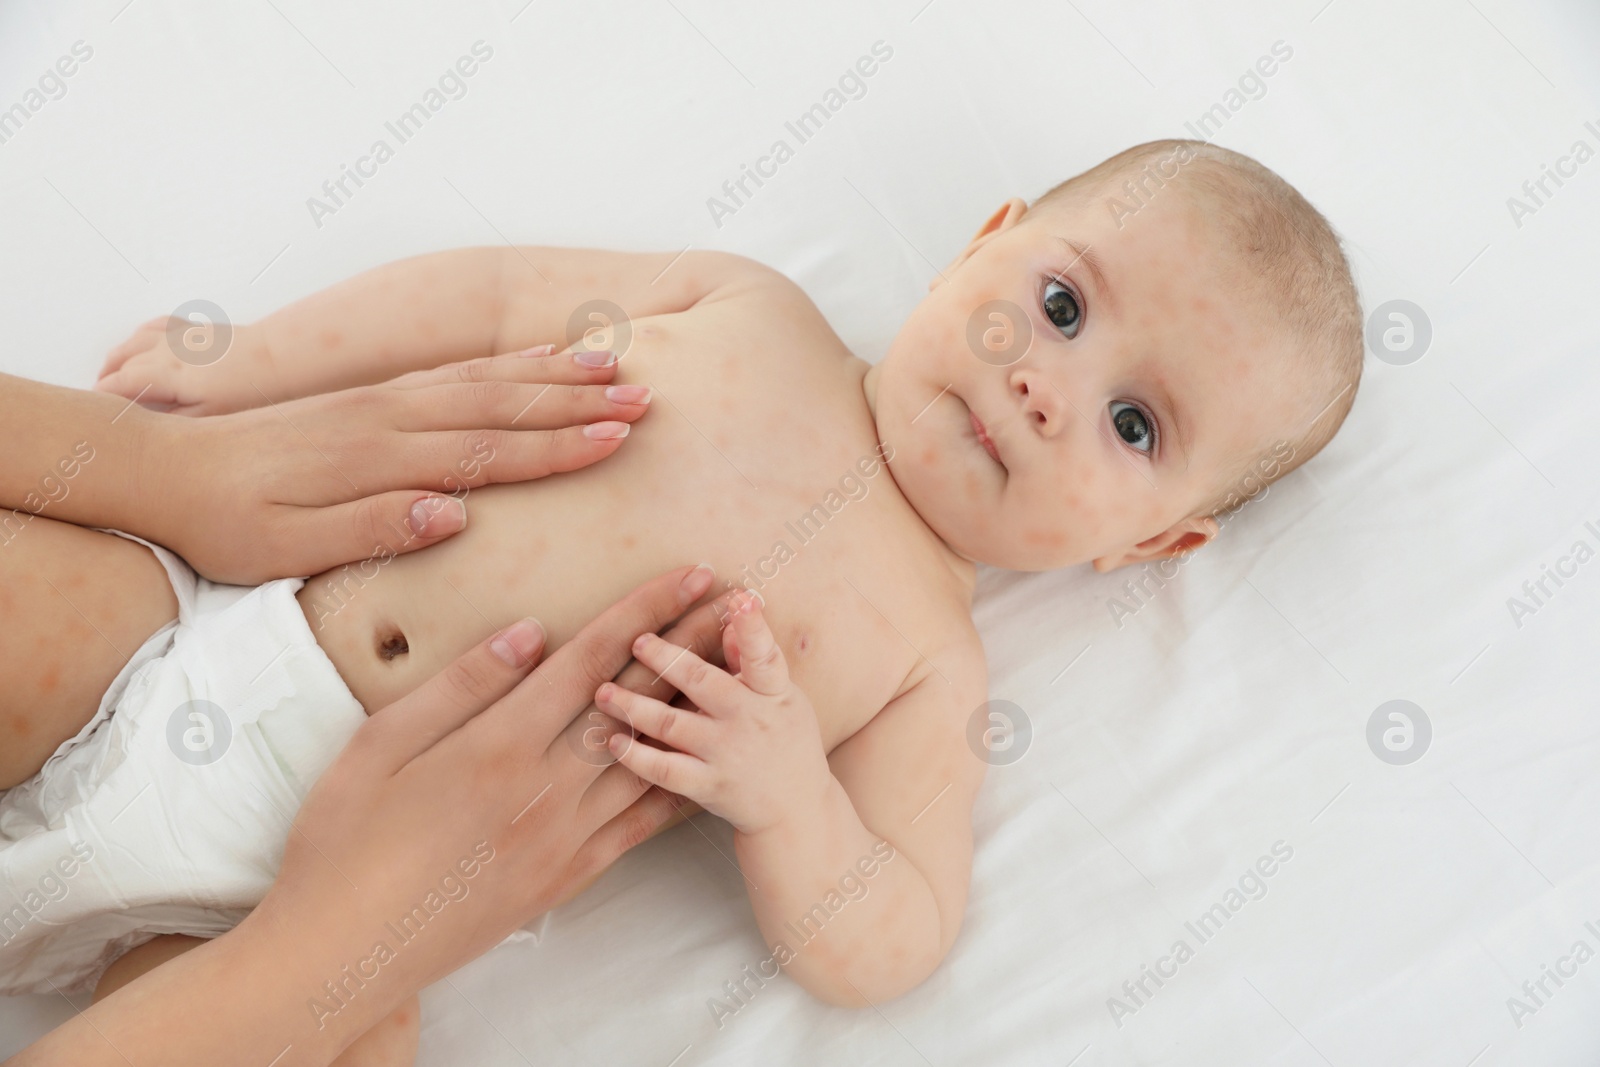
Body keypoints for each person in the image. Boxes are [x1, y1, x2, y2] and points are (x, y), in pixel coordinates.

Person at [7, 138, 1365, 1058]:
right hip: (193, 645)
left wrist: (789, 796)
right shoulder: (748, 310)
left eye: (1134, 422)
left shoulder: (927, 667)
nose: (1046, 386)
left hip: (306, 922)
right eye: (1062, 304)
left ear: (1152, 544)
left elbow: (895, 932)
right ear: (987, 241)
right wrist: (257, 362)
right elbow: (488, 301)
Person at [1, 359, 712, 1063]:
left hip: (167, 706)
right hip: (279, 956)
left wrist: (165, 460)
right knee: (367, 1029)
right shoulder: (749, 307)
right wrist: (348, 944)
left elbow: (832, 940)